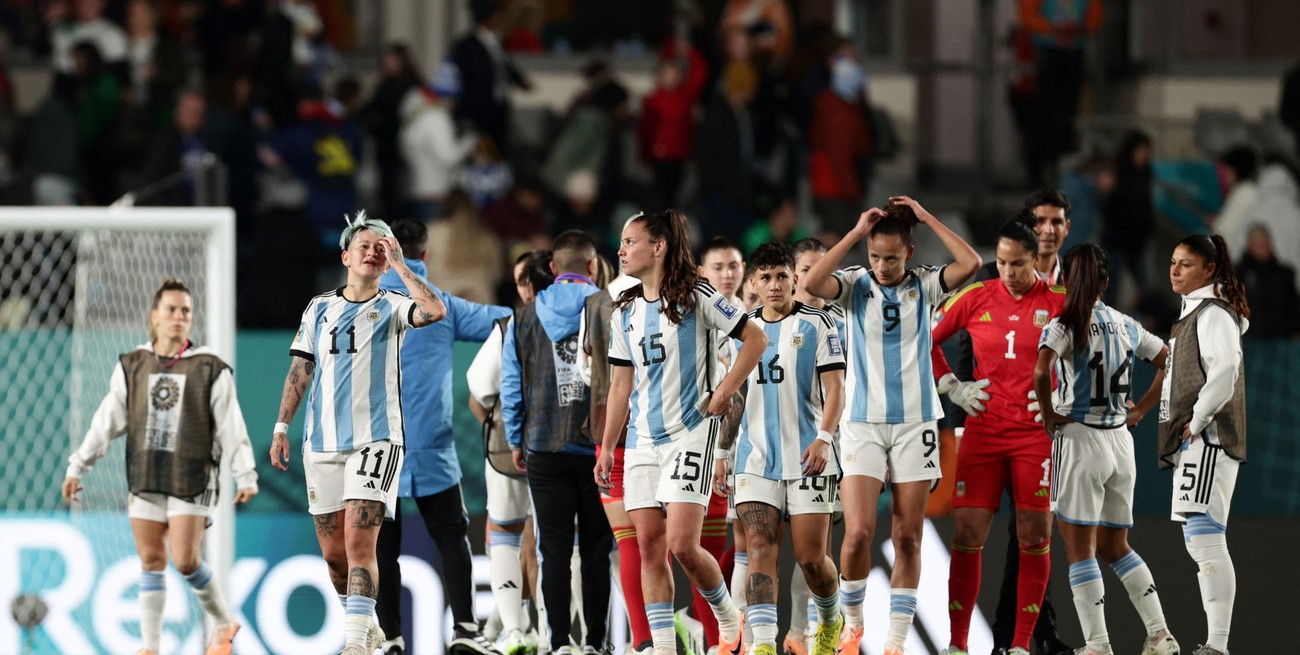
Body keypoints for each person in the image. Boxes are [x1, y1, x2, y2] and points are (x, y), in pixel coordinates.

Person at [803, 197, 982, 655]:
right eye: (875, 256)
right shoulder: (853, 284)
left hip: (915, 423)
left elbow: (972, 262)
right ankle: (855, 621)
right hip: (861, 422)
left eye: (891, 257)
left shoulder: (926, 285)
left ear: (910, 253)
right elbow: (813, 281)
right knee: (859, 532)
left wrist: (926, 216)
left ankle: (896, 643)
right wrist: (854, 234)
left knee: (908, 535)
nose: (881, 266)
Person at [269, 212, 448, 655]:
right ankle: (364, 625)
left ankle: (353, 644)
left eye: (381, 247)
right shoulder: (318, 308)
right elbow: (300, 368)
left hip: (377, 440)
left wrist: (403, 266)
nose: (373, 251)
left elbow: (435, 310)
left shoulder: (393, 304)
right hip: (322, 443)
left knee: (358, 539)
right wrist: (280, 427)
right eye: (365, 245)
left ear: (387, 260)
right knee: (334, 556)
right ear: (346, 255)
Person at [594, 210, 769, 655]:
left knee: (682, 546)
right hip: (641, 441)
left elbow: (755, 339)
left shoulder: (700, 295)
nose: (621, 250)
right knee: (650, 546)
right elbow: (620, 384)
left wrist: (725, 391)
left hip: (691, 433)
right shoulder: (625, 310)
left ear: (659, 247)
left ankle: (729, 617)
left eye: (631, 241)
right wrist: (609, 446)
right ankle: (665, 648)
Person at [62, 278, 257, 655]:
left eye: (186, 311)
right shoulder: (132, 364)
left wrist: (244, 472)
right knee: (151, 560)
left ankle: (223, 621)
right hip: (146, 472)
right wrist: (78, 465)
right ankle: (150, 647)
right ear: (155, 316)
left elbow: (232, 425)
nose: (179, 316)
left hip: (192, 475)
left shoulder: (210, 368)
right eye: (171, 309)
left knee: (185, 560)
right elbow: (107, 420)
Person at [1032, 244, 1179, 655]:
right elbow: (1169, 359)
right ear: (1106, 284)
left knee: (1080, 552)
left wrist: (1047, 414)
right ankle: (1160, 633)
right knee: (1117, 546)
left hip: (1080, 440)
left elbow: (1041, 371)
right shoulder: (1125, 323)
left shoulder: (1063, 325)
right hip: (1120, 441)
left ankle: (1097, 645)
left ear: (1065, 283)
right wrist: (1142, 410)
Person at [374, 219, 512, 655]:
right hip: (433, 445)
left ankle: (390, 638)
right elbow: (509, 323)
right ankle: (466, 630)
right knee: (453, 539)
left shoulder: (365, 307)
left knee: (382, 549)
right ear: (425, 255)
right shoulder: (445, 308)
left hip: (378, 448)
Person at [930, 218, 1067, 655]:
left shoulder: (1060, 301)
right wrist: (952, 385)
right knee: (967, 533)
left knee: (1033, 533)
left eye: (1019, 264)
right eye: (1003, 262)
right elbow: (921, 340)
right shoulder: (976, 295)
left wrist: (1064, 397)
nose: (1008, 272)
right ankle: (957, 644)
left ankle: (1022, 645)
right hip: (983, 433)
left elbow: (1091, 352)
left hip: (1034, 434)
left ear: (1036, 261)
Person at [712, 241, 846, 655]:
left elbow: (836, 388)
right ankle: (764, 645)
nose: (774, 285)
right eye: (766, 278)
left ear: (795, 279)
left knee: (810, 558)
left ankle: (829, 618)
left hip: (809, 457)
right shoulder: (739, 330)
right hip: (755, 459)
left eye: (782, 277)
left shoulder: (819, 323)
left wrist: (824, 438)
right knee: (757, 549)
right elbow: (735, 397)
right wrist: (721, 452)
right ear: (753, 282)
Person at [502, 231, 614, 655]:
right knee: (596, 554)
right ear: (592, 266)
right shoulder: (611, 308)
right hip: (598, 449)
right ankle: (595, 643)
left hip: (543, 444)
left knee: (553, 550)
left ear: (552, 269)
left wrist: (517, 439)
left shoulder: (522, 317)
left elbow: (512, 387)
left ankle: (559, 642)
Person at [1159, 234, 1251, 655]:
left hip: (1210, 437)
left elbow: (1226, 368)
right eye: (1174, 262)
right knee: (1200, 538)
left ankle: (1217, 646)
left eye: (1186, 264)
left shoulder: (1214, 314)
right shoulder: (1195, 311)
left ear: (1209, 270)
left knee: (1205, 537)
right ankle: (1216, 644)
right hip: (1199, 439)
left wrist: (1196, 422)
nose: (1175, 270)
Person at [470, 250, 555, 655]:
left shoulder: (508, 328)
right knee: (558, 541)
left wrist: (501, 432)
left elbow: (478, 393)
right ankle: (561, 636)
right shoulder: (585, 321)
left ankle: (514, 630)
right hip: (565, 447)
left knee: (504, 532)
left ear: (525, 286)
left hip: (511, 449)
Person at [1237, 224, 1300, 339]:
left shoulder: (1285, 274)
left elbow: (1293, 306)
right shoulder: (1236, 274)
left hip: (1280, 339)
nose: (1262, 247)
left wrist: (1295, 330)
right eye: (1258, 243)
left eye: (1265, 242)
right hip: (1248, 339)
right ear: (1249, 245)